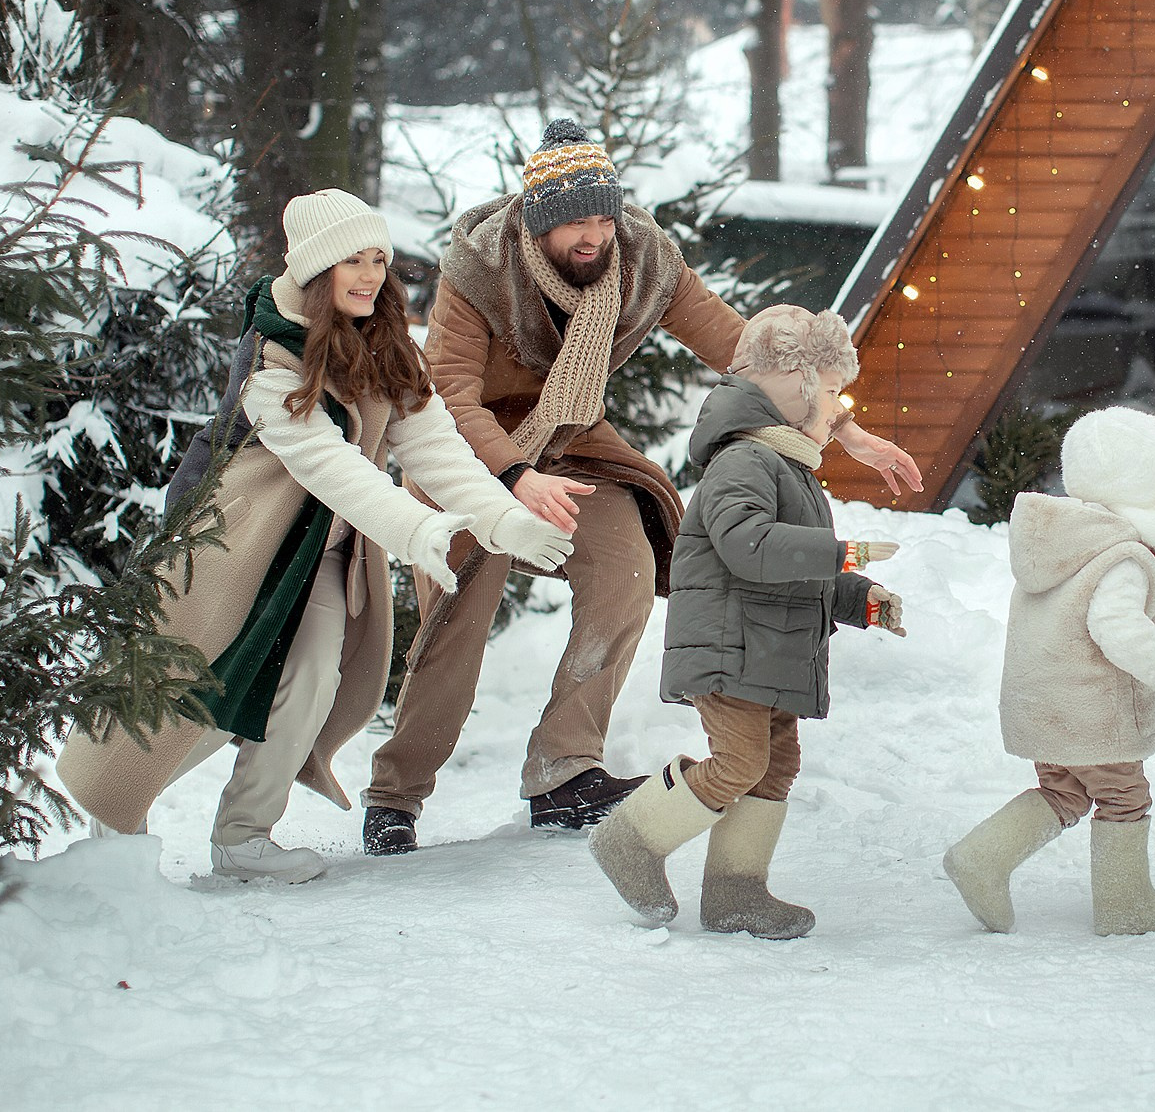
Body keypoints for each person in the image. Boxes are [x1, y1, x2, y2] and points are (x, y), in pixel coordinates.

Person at [360, 123, 921, 855]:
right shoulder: (478, 271)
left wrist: (844, 427)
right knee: (460, 615)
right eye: (574, 219)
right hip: (469, 457)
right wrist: (515, 478)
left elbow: (749, 349)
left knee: (624, 567)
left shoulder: (643, 259)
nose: (594, 234)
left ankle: (564, 770)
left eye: (603, 216)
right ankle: (395, 794)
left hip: (574, 443)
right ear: (538, 220)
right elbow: (452, 399)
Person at [56, 189, 575, 883]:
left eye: (378, 259)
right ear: (312, 268)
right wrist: (417, 529)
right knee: (201, 692)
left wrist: (503, 519)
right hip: (232, 548)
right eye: (350, 261)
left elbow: (436, 447)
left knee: (308, 679)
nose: (369, 274)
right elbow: (335, 471)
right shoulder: (272, 357)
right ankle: (115, 805)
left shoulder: (390, 345)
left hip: (325, 550)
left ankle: (244, 837)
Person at [588, 306, 905, 938]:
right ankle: (630, 840)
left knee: (775, 767)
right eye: (833, 394)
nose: (840, 411)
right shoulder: (745, 462)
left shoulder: (788, 466)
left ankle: (737, 891)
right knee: (737, 763)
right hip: (731, 648)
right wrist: (839, 552)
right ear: (796, 391)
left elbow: (796, 571)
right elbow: (750, 545)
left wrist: (857, 597)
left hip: (770, 650)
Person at [941, 406, 1155, 935]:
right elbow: (1116, 626)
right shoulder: (1121, 558)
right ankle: (1125, 905)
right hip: (1094, 711)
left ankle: (983, 858)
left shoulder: (1069, 539)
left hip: (1046, 704)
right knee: (1123, 796)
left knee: (1065, 793)